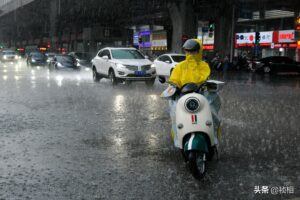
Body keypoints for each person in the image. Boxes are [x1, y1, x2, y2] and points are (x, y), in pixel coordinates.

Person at [168, 38, 221, 147]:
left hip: (201, 95)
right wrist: (172, 87)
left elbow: (201, 79)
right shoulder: (179, 66)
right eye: (188, 51)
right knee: (174, 114)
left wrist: (192, 64)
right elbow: (174, 80)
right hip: (183, 97)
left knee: (212, 113)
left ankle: (213, 136)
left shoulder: (203, 65)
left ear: (199, 51)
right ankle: (179, 139)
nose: (190, 54)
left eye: (193, 51)